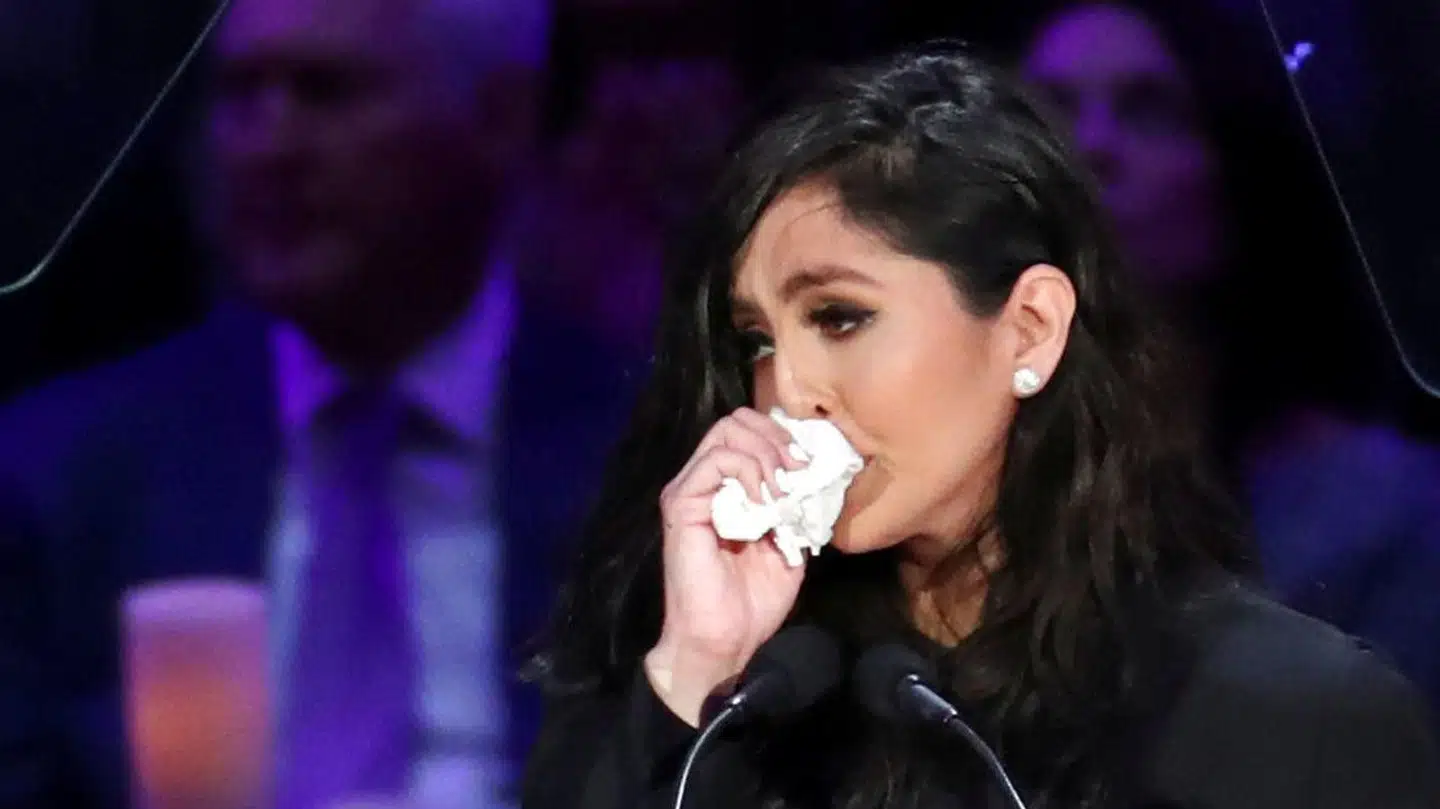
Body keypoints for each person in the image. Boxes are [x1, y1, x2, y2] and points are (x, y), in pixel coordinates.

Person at [519, 45, 1440, 809]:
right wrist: (693, 670)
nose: (786, 391)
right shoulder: (737, 706)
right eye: (756, 339)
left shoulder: (1298, 726)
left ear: (1030, 327)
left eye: (839, 317)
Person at [0, 1, 628, 808]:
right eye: (240, 94)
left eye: (326, 92)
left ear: (500, 116)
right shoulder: (63, 476)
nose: (268, 144)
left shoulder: (655, 454)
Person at [1016, 0, 1440, 725]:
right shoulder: (937, 480)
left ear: (1238, 163)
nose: (1091, 147)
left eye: (1149, 111)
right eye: (1051, 111)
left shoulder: (1380, 512)